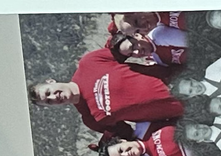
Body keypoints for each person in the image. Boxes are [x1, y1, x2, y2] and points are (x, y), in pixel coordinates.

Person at [32, 42, 183, 136]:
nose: (54, 97)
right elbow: (134, 135)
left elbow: (126, 46)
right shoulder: (92, 119)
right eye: (49, 102)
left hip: (184, 78)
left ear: (51, 81)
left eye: (48, 92)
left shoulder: (89, 63)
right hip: (187, 109)